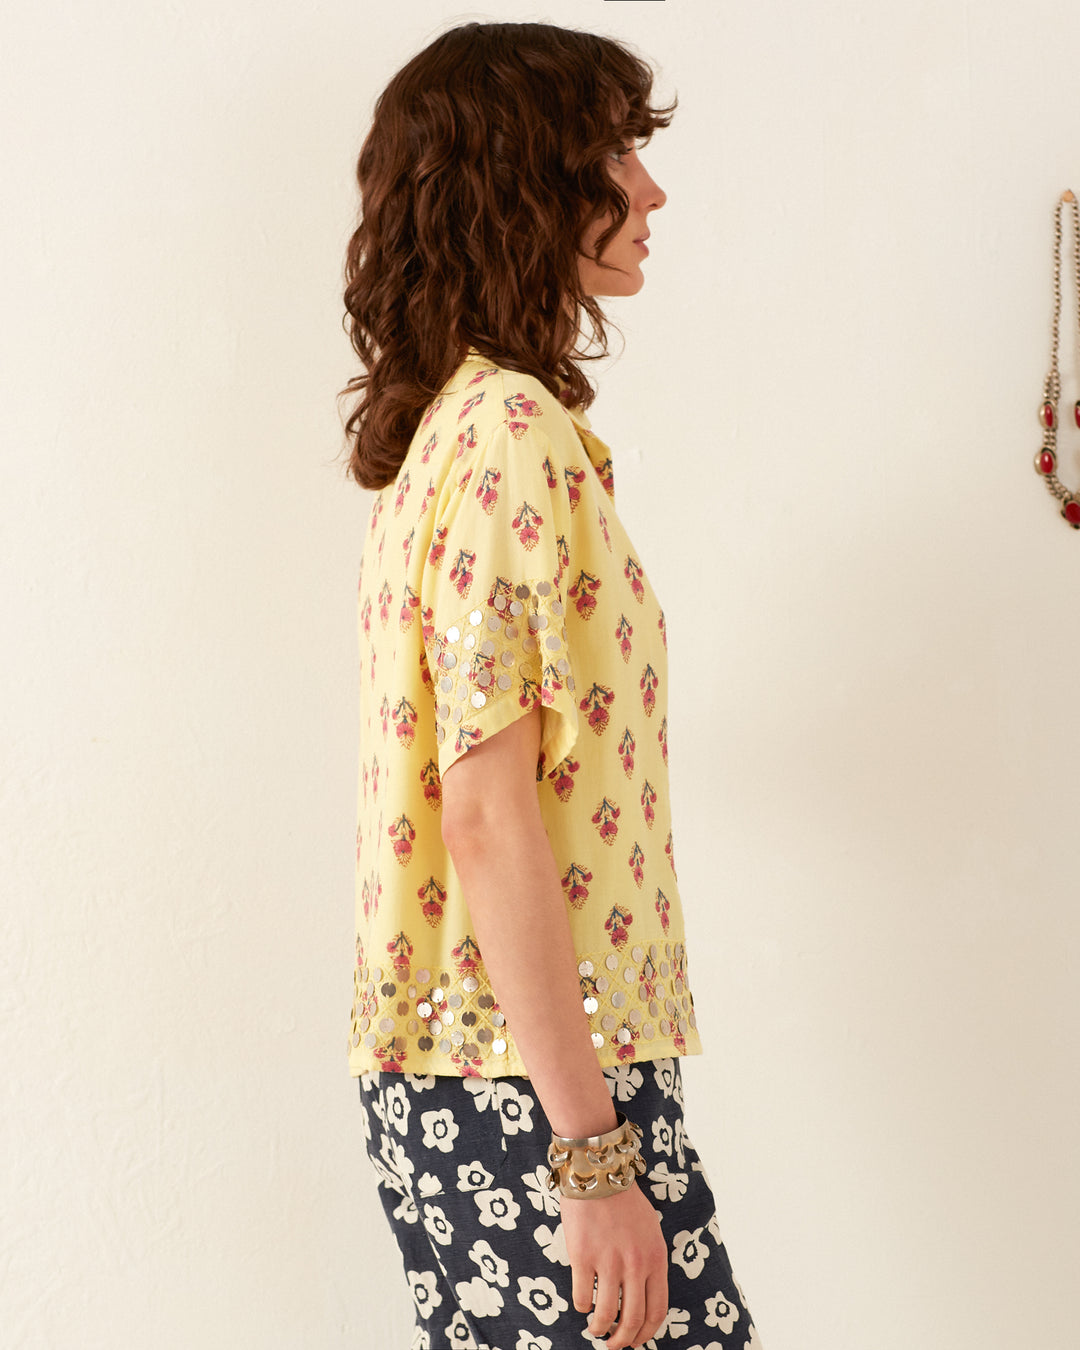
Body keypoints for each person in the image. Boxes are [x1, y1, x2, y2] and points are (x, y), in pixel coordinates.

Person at [340, 21, 761, 1350]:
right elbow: (483, 809)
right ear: (524, 184)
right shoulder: (510, 436)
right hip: (527, 1079)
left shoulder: (465, 430)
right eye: (614, 154)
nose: (649, 188)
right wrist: (590, 1155)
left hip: (499, 1067)